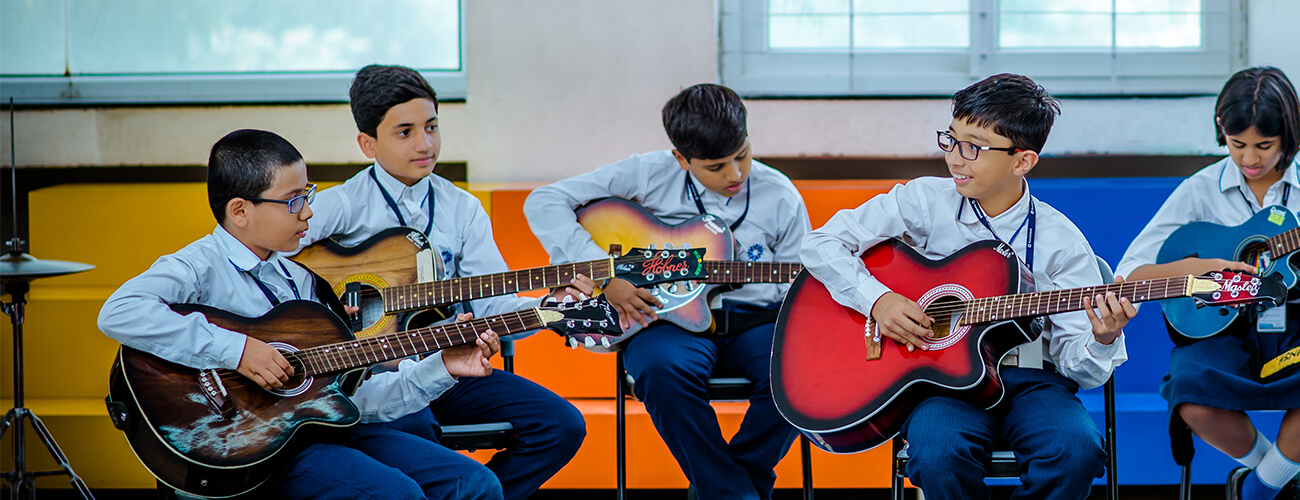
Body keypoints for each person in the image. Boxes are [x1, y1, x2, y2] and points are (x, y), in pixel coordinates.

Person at [98, 129, 505, 499]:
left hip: (318, 434)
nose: (308, 213)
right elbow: (119, 312)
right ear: (240, 211)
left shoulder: (303, 281)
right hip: (250, 449)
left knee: (475, 484)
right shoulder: (201, 266)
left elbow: (352, 400)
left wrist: (443, 367)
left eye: (307, 196)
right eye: (294, 201)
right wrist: (238, 351)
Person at [797, 73, 1134, 499]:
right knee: (938, 454)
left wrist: (1103, 338)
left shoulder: (1062, 243)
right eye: (951, 139)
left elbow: (1077, 369)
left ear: (1022, 161)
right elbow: (822, 243)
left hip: (1032, 380)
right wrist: (877, 299)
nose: (955, 158)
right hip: (939, 382)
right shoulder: (923, 202)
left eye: (974, 147)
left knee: (1076, 452)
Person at [297, 64, 587, 500]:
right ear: (367, 143)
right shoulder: (338, 206)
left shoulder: (462, 209)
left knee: (561, 425)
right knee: (416, 433)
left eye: (432, 127)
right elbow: (274, 261)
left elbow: (492, 306)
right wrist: (330, 307)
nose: (425, 144)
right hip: (373, 377)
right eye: (405, 132)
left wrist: (549, 308)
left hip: (453, 364)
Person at [522, 83, 812, 499]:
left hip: (756, 323)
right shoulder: (646, 173)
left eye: (742, 156)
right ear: (680, 158)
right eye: (715, 166)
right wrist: (607, 274)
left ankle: (726, 488)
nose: (734, 174)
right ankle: (735, 492)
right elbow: (545, 201)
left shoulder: (780, 194)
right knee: (660, 370)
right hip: (667, 319)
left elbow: (797, 288)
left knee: (797, 373)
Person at [1114, 66, 1300, 500]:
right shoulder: (1200, 190)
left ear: (1290, 136)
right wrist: (1207, 268)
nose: (1250, 159)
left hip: (1297, 327)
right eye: (1238, 145)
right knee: (1189, 396)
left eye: (1265, 146)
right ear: (1221, 132)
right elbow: (1132, 275)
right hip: (1221, 330)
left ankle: (1257, 490)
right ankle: (1282, 478)